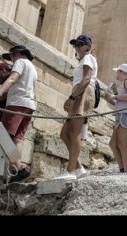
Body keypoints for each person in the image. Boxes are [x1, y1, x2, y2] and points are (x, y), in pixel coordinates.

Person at [0, 45, 37, 183]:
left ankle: (19, 169)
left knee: (2, 136)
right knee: (17, 139)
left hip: (16, 103)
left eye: (12, 56)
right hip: (29, 105)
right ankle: (15, 172)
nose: (12, 60)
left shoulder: (20, 62)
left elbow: (12, 79)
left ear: (18, 53)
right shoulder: (32, 68)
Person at [53, 35, 97, 180]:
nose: (77, 48)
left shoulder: (88, 58)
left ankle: (70, 171)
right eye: (75, 45)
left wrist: (73, 97)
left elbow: (86, 79)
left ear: (87, 46)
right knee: (65, 134)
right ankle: (78, 167)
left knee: (75, 132)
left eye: (79, 44)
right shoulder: (83, 59)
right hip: (79, 92)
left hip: (82, 92)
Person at [106, 63, 127, 173]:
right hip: (121, 114)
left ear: (123, 73)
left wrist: (115, 96)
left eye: (118, 72)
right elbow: (123, 99)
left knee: (122, 143)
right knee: (113, 144)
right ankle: (122, 168)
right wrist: (115, 93)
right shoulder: (125, 82)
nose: (117, 74)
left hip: (125, 114)